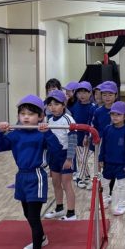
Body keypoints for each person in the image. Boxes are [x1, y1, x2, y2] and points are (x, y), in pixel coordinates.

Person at [0, 95, 62, 249]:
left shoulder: (42, 134)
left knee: (34, 216)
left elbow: (57, 150)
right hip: (21, 176)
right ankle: (42, 238)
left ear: (40, 116)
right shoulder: (16, 134)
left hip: (36, 176)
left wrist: (48, 133)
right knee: (27, 214)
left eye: (30, 114)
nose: (26, 117)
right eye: (23, 114)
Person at [43, 90, 78, 221]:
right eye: (50, 104)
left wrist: (69, 159)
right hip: (54, 156)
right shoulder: (49, 120)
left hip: (65, 155)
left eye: (56, 104)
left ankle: (71, 213)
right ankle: (59, 208)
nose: (53, 107)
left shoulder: (68, 119)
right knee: (56, 183)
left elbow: (73, 140)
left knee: (66, 184)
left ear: (64, 104)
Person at [98, 101, 125, 215]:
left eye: (118, 114)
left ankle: (121, 206)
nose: (115, 117)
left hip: (121, 165)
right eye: (112, 114)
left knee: (121, 186)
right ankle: (104, 201)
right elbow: (102, 145)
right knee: (104, 183)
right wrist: (101, 158)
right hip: (108, 163)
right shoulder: (107, 129)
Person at [70, 81, 97, 189]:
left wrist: (88, 135)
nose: (82, 95)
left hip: (87, 137)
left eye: (85, 92)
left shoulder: (93, 107)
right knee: (80, 159)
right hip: (76, 136)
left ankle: (79, 178)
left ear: (90, 93)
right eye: (79, 92)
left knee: (83, 158)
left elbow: (92, 123)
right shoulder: (74, 106)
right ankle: (87, 177)